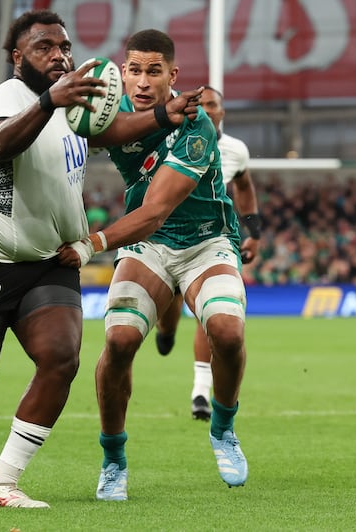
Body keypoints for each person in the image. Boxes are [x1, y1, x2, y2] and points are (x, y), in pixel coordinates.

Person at [0, 9, 201, 509]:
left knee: (62, 358)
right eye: (45, 47)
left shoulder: (70, 106)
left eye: (64, 46)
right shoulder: (9, 97)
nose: (60, 54)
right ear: (18, 58)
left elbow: (106, 132)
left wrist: (159, 117)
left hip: (49, 258)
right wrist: (48, 100)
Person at [59, 30, 249, 499]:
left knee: (227, 331)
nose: (142, 81)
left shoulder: (197, 125)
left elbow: (155, 211)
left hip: (205, 242)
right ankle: (113, 458)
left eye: (154, 71)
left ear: (173, 75)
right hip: (150, 249)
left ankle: (222, 427)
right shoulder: (110, 112)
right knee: (120, 341)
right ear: (122, 72)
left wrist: (92, 243)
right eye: (134, 70)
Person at [153, 86, 262, 421]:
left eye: (213, 105)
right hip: (164, 239)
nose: (208, 110)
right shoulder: (173, 139)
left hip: (209, 242)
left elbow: (244, 185)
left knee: (211, 313)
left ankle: (201, 391)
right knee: (169, 312)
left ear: (223, 111)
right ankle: (166, 330)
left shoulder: (235, 150)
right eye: (202, 105)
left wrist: (254, 232)